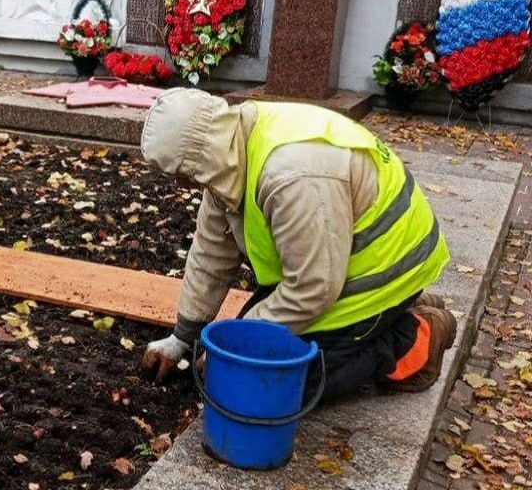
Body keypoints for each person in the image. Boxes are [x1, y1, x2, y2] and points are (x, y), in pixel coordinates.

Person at [139, 88, 457, 401]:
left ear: (203, 153)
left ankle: (414, 339)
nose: (180, 183)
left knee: (281, 384)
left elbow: (312, 287)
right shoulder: (228, 152)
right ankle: (390, 312)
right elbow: (211, 254)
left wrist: (241, 346)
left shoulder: (292, 175)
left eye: (181, 173)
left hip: (383, 269)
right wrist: (183, 336)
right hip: (335, 262)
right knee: (245, 351)